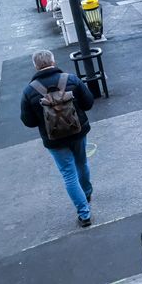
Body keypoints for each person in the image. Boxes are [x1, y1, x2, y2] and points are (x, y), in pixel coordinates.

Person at [20, 50, 96, 227]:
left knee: (68, 174)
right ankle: (86, 192)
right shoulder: (71, 79)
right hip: (77, 132)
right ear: (53, 62)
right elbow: (88, 103)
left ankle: (84, 215)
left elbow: (28, 121)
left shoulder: (29, 91)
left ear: (35, 66)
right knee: (82, 163)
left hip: (54, 140)